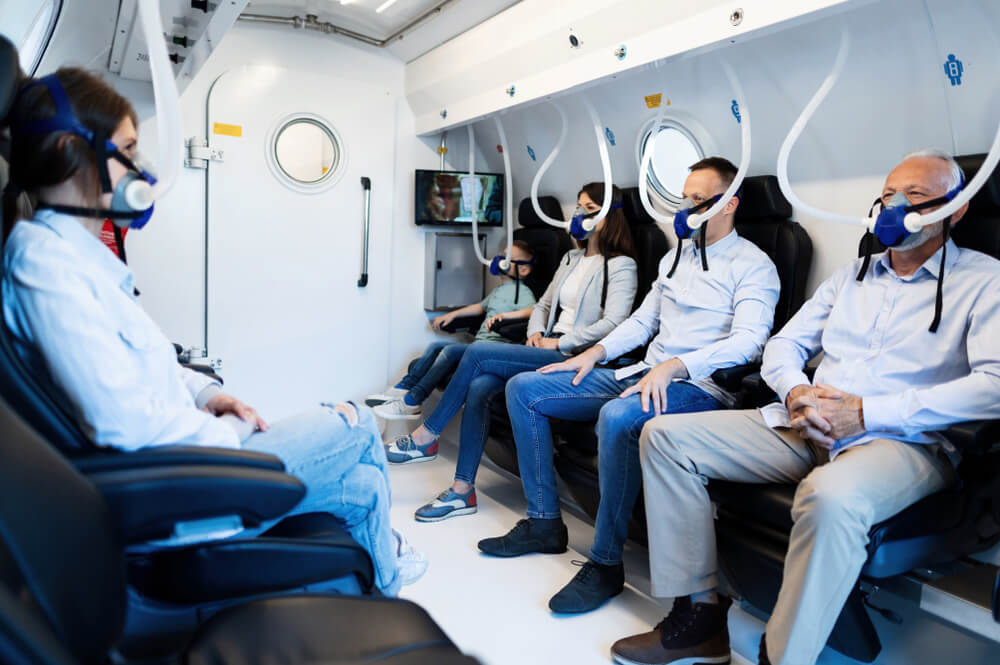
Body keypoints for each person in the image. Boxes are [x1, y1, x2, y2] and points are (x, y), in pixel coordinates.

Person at [1, 67, 425, 597]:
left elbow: (143, 359)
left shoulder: (75, 254)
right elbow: (121, 424)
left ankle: (385, 587)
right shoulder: (44, 263)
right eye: (127, 149)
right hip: (179, 488)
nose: (139, 169)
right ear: (72, 151)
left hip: (186, 456)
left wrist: (208, 392)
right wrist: (234, 437)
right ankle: (391, 576)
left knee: (362, 487)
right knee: (357, 419)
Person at [615, 150, 1000, 665]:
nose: (895, 207)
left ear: (954, 212)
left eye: (916, 198)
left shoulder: (985, 280)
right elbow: (782, 346)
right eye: (887, 195)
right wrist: (797, 392)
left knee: (829, 496)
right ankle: (700, 619)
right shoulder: (851, 276)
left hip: (901, 441)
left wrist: (866, 413)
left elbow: (993, 385)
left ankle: (783, 657)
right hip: (807, 423)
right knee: (664, 436)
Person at [482, 157, 780, 607]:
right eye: (685, 198)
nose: (687, 209)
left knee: (618, 415)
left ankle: (605, 565)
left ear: (729, 204)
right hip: (640, 372)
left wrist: (677, 366)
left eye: (699, 201)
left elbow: (750, 343)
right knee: (525, 389)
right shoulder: (675, 257)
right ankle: (544, 523)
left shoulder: (754, 265)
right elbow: (643, 321)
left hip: (700, 387)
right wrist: (591, 354)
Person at [387, 183, 639, 530]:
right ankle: (462, 490)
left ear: (608, 215)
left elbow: (615, 323)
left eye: (589, 208)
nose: (579, 215)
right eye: (577, 207)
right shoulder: (571, 258)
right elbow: (545, 304)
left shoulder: (622, 265)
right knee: (479, 387)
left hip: (573, 355)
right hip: (542, 344)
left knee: (476, 353)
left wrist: (561, 344)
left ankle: (424, 434)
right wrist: (536, 332)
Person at [369, 239, 537, 421]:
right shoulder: (500, 290)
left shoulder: (524, 292)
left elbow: (533, 310)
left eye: (508, 257)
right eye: (503, 255)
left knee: (449, 350)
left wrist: (506, 317)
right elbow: (479, 307)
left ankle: (413, 401)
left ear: (524, 269)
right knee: (435, 346)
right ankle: (402, 389)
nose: (501, 260)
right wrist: (452, 315)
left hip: (491, 350)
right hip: (478, 346)